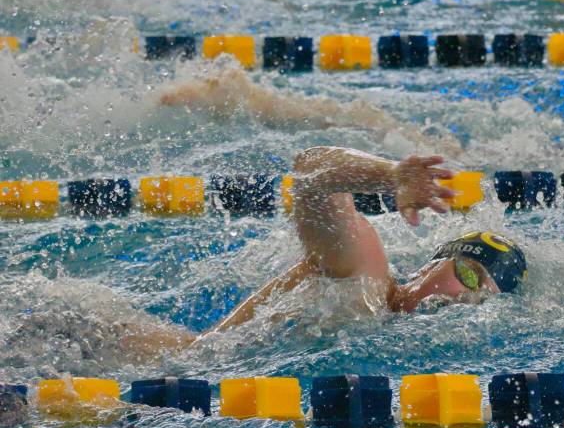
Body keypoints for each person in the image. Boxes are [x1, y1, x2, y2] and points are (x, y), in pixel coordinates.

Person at [118, 146, 528, 356]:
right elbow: (310, 170)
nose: (468, 299)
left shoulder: (388, 324)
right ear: (433, 264)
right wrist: (388, 175)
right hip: (131, 350)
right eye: (470, 276)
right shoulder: (364, 275)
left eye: (483, 297)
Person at [157, 67, 464, 157]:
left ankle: (443, 151)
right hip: (340, 119)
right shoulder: (256, 107)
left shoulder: (257, 109)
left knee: (358, 123)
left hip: (338, 121)